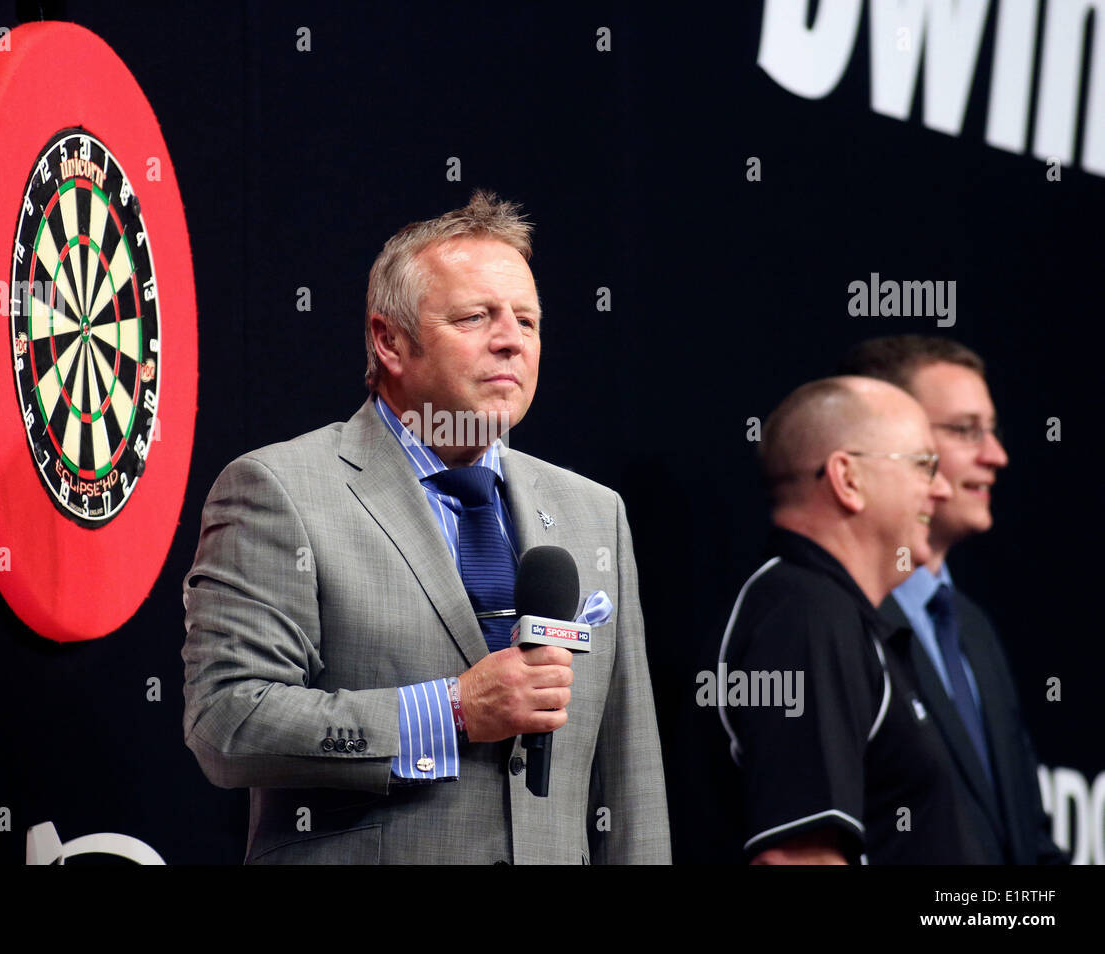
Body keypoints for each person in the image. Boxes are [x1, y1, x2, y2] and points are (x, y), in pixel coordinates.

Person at [181, 191, 670, 864]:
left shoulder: (595, 513)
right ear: (389, 341)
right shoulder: (281, 490)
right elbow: (228, 723)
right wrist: (450, 713)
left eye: (527, 321)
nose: (511, 339)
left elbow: (631, 775)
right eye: (476, 316)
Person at [703, 375, 988, 863]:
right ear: (848, 479)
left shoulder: (837, 615)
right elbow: (797, 859)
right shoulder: (805, 615)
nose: (941, 490)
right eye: (924, 465)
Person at [837, 336, 1067, 864]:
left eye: (993, 431)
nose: (997, 456)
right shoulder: (838, 619)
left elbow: (1027, 842)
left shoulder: (973, 628)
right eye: (965, 431)